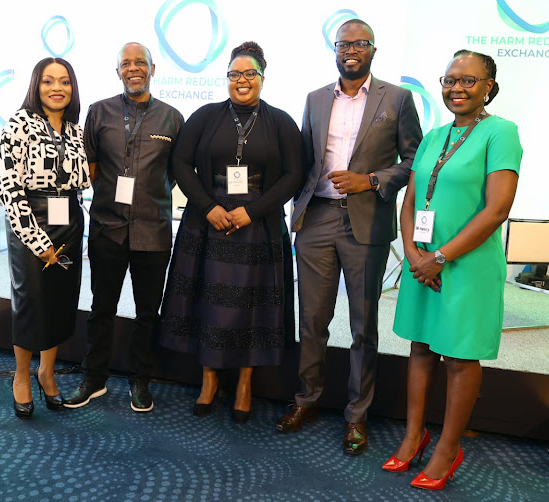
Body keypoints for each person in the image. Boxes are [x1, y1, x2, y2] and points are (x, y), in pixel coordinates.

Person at [275, 19, 422, 454]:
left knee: (363, 325)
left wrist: (371, 180)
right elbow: (303, 157)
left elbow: (414, 158)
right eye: (343, 44)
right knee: (313, 321)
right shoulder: (316, 98)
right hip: (317, 218)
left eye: (359, 43)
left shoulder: (397, 98)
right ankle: (307, 400)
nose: (350, 50)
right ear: (335, 50)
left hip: (365, 220)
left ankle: (356, 416)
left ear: (373, 50)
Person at [384, 50, 522, 490]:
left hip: (465, 266)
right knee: (421, 349)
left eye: (468, 81)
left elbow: (497, 208)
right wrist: (412, 253)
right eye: (449, 80)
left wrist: (439, 257)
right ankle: (413, 436)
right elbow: (409, 201)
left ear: (489, 87)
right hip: (421, 264)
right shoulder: (435, 135)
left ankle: (448, 447)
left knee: (460, 357)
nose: (456, 89)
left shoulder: (501, 132)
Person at [158, 41, 302, 424]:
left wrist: (251, 211)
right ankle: (208, 380)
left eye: (249, 74)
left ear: (262, 78)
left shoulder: (281, 122)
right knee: (206, 304)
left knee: (251, 310)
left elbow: (293, 175)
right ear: (227, 78)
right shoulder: (204, 116)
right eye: (234, 74)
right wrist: (209, 208)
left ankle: (244, 384)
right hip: (207, 224)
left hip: (259, 228)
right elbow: (182, 165)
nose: (242, 80)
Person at [63, 43, 184, 412]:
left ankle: (140, 380)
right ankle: (94, 378)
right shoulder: (99, 112)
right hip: (107, 229)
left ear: (152, 68)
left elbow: (177, 176)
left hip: (153, 231)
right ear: (118, 71)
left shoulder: (172, 118)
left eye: (140, 63)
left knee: (148, 312)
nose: (133, 68)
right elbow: (90, 168)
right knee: (102, 308)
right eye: (126, 64)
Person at [0, 57, 90, 418]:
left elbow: (79, 184)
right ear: (36, 86)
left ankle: (46, 372)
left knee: (60, 302)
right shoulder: (18, 124)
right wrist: (37, 240)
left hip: (68, 222)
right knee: (31, 302)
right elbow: (8, 187)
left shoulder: (76, 130)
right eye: (48, 81)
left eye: (64, 81)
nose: (57, 88)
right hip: (29, 223)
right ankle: (21, 377)